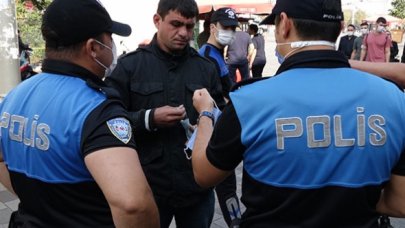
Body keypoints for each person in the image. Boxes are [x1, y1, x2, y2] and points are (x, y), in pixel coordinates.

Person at [190, 0, 405, 227]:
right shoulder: (393, 99)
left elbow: (204, 175)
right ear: (341, 27)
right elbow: (400, 202)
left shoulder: (250, 101)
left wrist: (205, 114)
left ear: (283, 24)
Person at [0, 0, 159, 227]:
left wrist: (35, 198)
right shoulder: (96, 108)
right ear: (93, 48)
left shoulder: (15, 96)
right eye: (109, 38)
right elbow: (133, 205)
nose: (113, 46)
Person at [106, 0, 225, 227]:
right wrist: (148, 119)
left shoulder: (205, 68)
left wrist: (207, 121)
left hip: (196, 190)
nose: (183, 33)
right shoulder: (130, 66)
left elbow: (221, 119)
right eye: (176, 24)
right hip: (148, 188)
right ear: (157, 20)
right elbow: (108, 121)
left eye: (189, 27)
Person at [198, 7, 242, 227]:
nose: (231, 32)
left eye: (234, 28)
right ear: (213, 28)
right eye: (226, 27)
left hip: (224, 128)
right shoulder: (205, 57)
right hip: (214, 132)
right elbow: (210, 99)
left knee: (228, 188)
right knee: (222, 187)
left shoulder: (217, 55)